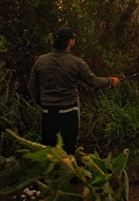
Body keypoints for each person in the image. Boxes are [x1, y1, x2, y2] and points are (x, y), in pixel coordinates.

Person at [28, 27, 119, 155]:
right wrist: (111, 81)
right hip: (69, 111)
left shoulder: (41, 60)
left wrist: (43, 102)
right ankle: (69, 170)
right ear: (70, 42)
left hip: (48, 111)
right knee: (69, 147)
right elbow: (93, 82)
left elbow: (32, 87)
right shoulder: (77, 63)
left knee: (48, 148)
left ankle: (50, 172)